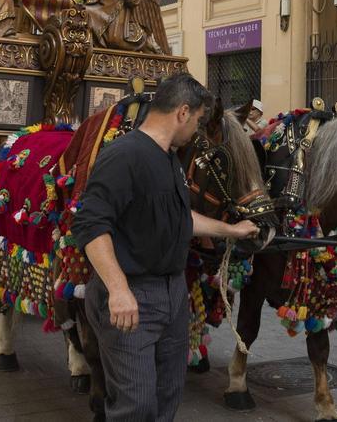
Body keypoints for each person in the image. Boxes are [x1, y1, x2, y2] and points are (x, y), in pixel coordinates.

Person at [74, 74, 260, 421]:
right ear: (182, 112)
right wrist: (117, 290)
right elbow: (90, 224)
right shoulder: (125, 155)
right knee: (137, 406)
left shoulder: (168, 158)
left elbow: (180, 217)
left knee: (167, 397)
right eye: (199, 120)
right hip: (132, 296)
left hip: (171, 295)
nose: (198, 129)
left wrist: (230, 230)